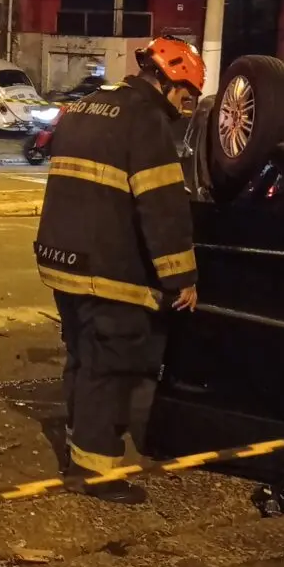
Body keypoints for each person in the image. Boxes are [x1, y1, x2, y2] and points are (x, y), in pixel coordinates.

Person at [35, 36, 203, 504]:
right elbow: (162, 206)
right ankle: (94, 472)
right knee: (110, 370)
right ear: (169, 81)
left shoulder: (86, 106)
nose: (185, 106)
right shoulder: (146, 119)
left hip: (63, 261)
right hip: (109, 269)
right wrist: (182, 279)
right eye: (186, 95)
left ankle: (79, 443)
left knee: (83, 359)